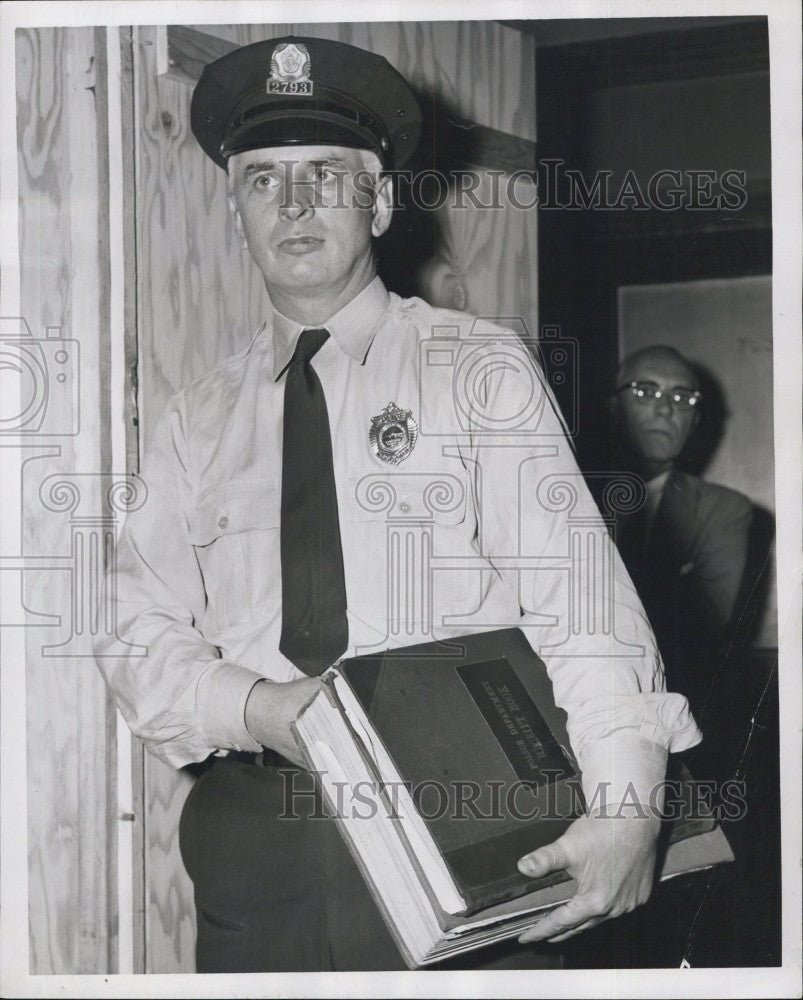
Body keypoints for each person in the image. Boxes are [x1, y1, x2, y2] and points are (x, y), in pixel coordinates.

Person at [95, 36, 702, 972]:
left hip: (466, 821)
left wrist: (628, 809)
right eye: (264, 179)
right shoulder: (193, 422)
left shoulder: (477, 369)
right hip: (259, 845)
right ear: (235, 209)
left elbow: (582, 607)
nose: (292, 205)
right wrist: (259, 710)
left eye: (325, 175)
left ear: (378, 202)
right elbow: (135, 637)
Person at [610, 345, 754, 720]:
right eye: (645, 391)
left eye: (681, 396)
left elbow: (698, 637)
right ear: (612, 407)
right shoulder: (563, 496)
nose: (665, 408)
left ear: (694, 421)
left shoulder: (724, 511)